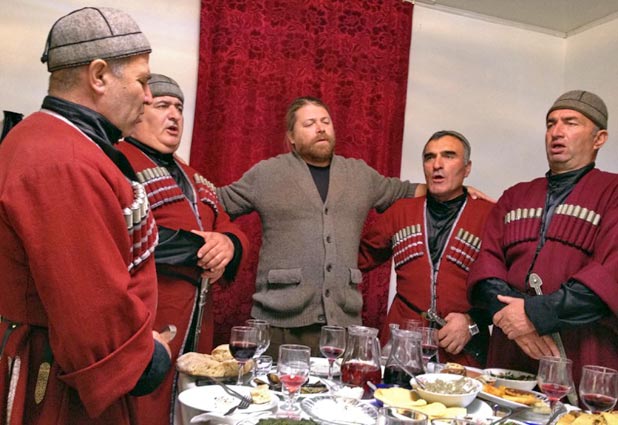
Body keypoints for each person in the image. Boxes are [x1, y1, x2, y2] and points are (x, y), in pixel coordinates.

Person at [0, 7, 172, 424]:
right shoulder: (63, 159)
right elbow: (89, 311)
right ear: (98, 76)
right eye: (142, 81)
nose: (148, 97)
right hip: (57, 387)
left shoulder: (55, 140)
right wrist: (150, 357)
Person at [217, 96, 491, 356]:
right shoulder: (268, 174)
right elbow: (218, 202)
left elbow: (404, 190)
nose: (320, 128)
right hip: (280, 324)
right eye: (309, 124)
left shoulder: (359, 175)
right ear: (291, 137)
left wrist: (460, 189)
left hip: (342, 326)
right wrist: (182, 169)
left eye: (325, 121)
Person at [117, 74, 248, 425]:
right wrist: (200, 249)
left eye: (179, 107)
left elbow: (227, 225)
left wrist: (230, 245)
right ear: (137, 112)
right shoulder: (117, 162)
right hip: (148, 318)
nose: (174, 115)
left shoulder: (196, 177)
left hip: (197, 326)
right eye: (162, 106)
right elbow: (121, 234)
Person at [468, 90, 618, 387]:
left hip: (581, 354)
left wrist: (534, 315)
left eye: (571, 123)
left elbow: (609, 276)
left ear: (599, 138)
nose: (557, 132)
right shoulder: (515, 195)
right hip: (510, 349)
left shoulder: (612, 193)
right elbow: (486, 265)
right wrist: (512, 319)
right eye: (551, 123)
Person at [359, 130, 493, 367]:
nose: (437, 165)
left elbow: (511, 292)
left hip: (463, 351)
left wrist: (471, 322)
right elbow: (356, 260)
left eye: (448, 156)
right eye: (430, 157)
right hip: (402, 348)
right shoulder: (400, 211)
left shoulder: (490, 216)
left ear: (467, 167)